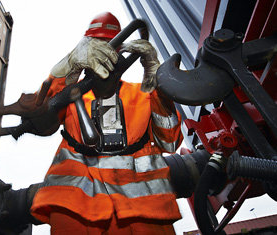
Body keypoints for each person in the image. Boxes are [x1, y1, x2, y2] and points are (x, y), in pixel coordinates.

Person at [28, 12, 184, 234]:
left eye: (110, 45)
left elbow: (170, 142)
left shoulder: (144, 94)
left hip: (145, 212)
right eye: (96, 46)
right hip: (75, 210)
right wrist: (68, 63)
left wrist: (157, 81)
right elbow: (37, 118)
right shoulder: (69, 94)